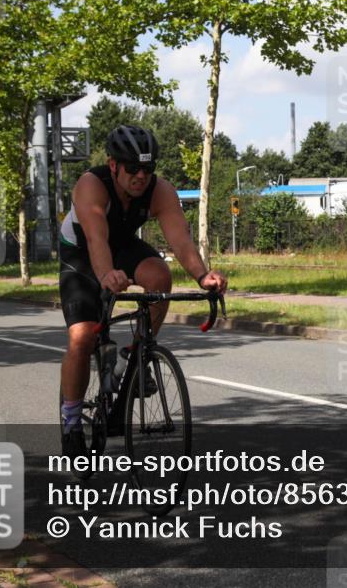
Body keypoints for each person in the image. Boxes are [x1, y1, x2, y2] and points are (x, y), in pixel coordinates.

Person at [57, 125, 227, 459]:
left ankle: (134, 356)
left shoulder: (160, 190)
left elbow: (181, 241)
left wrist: (203, 276)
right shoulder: (92, 185)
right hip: (82, 252)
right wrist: (106, 275)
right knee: (82, 337)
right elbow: (95, 239)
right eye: (132, 168)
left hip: (122, 246)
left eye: (148, 169)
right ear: (113, 165)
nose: (140, 176)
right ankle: (71, 422)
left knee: (160, 276)